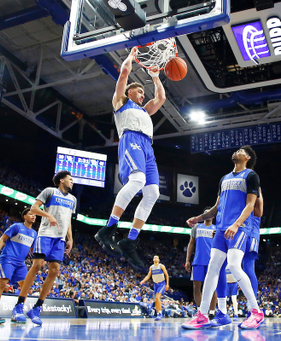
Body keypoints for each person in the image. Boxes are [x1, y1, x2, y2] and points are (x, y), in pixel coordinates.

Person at [95, 47, 166, 270]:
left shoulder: (145, 111)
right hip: (131, 140)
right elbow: (124, 73)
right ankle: (109, 228)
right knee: (136, 181)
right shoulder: (121, 102)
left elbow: (161, 98)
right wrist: (131, 57)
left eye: (143, 94)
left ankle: (130, 240)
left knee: (153, 192)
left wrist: (155, 77)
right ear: (130, 93)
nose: (142, 95)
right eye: (139, 92)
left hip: (148, 146)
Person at [182, 146, 264, 330]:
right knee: (212, 268)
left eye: (241, 150)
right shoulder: (224, 179)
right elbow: (216, 207)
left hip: (240, 227)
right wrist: (199, 218)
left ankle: (256, 312)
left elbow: (251, 205)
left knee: (234, 266)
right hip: (220, 229)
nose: (236, 151)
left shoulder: (251, 176)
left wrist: (236, 224)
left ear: (248, 157)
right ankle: (202, 315)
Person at [12, 171, 76, 326]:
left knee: (55, 271)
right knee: (38, 265)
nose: (72, 182)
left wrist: (70, 238)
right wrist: (48, 216)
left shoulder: (73, 199)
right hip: (46, 234)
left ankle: (37, 308)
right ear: (62, 180)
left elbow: (68, 220)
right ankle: (19, 305)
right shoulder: (49, 191)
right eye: (70, 179)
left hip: (60, 239)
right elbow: (33, 208)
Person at [0, 208, 37, 324]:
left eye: (35, 215)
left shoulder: (34, 233)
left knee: (25, 286)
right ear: (24, 216)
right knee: (2, 284)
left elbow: (32, 250)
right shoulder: (16, 227)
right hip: (8, 259)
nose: (33, 216)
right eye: (30, 214)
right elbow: (2, 239)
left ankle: (17, 312)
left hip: (21, 263)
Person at [185, 207, 217, 316]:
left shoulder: (216, 229)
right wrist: (187, 260)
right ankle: (200, 311)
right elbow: (191, 244)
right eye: (205, 212)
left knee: (212, 288)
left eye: (209, 213)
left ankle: (212, 312)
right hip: (198, 261)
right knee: (196, 287)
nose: (207, 214)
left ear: (213, 216)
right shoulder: (196, 227)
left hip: (212, 262)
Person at [140, 255, 169, 321]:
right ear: (153, 260)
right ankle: (158, 313)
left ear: (159, 259)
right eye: (154, 258)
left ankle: (160, 313)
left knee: (157, 297)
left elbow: (166, 275)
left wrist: (167, 284)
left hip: (162, 283)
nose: (155, 259)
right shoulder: (151, 267)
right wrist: (143, 281)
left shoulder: (161, 266)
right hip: (155, 284)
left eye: (156, 258)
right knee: (156, 299)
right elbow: (148, 275)